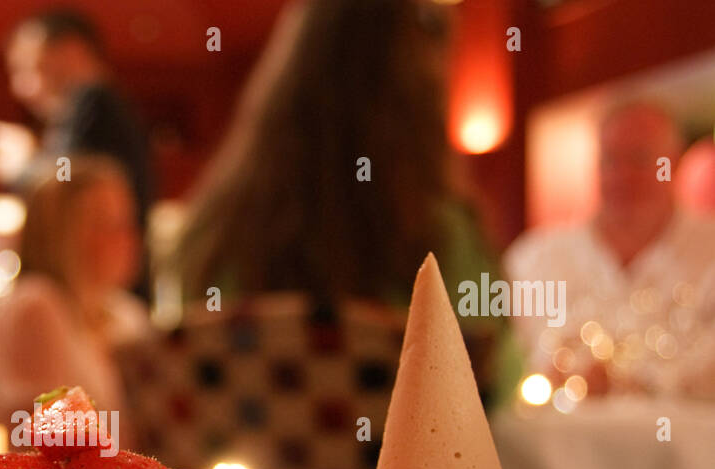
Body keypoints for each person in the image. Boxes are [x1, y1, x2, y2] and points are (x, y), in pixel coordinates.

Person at [170, 0, 518, 403]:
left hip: (255, 464)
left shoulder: (214, 237)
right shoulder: (447, 239)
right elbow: (496, 394)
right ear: (419, 87)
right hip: (421, 465)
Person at [505, 101, 715, 399]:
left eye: (640, 159)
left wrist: (632, 381)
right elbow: (511, 362)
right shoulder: (536, 259)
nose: (623, 176)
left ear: (674, 163)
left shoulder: (709, 249)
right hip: (554, 444)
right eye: (611, 160)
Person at [0, 157, 149, 431]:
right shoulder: (36, 305)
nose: (127, 237)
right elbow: (48, 436)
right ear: (60, 236)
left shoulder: (127, 313)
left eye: (127, 220)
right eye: (104, 222)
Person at [4, 9, 153, 256]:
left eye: (29, 67)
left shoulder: (92, 100)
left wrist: (21, 166)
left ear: (71, 51)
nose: (20, 88)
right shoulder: (100, 104)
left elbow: (64, 188)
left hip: (100, 277)